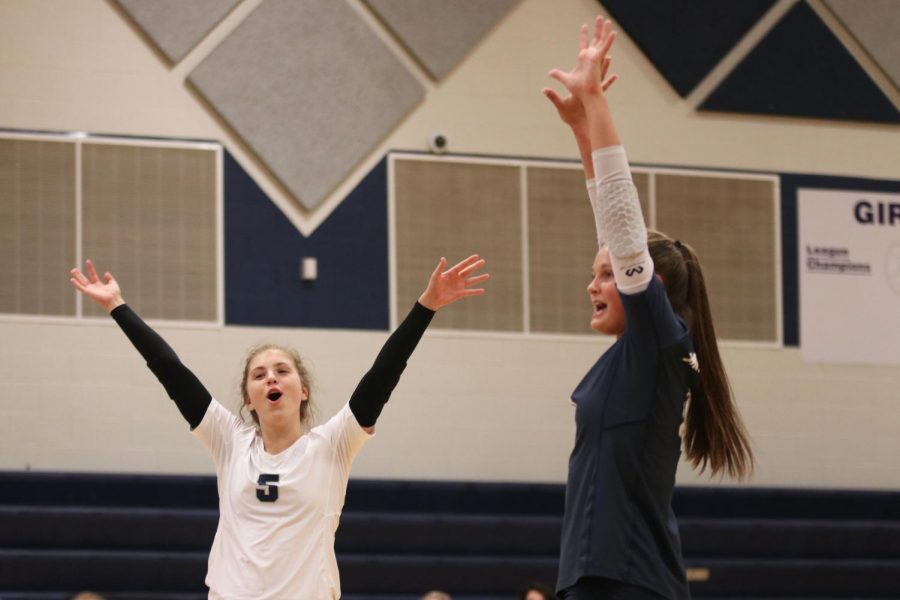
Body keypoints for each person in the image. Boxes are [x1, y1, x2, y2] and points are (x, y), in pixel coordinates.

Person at [69, 255, 488, 600]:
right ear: (249, 399)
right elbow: (170, 371)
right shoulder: (228, 439)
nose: (271, 378)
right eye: (259, 374)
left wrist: (426, 307)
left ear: (302, 390)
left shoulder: (333, 444)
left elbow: (384, 373)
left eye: (282, 371)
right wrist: (117, 306)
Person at [542, 16, 753, 600]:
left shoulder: (659, 341)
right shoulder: (636, 355)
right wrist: (583, 132)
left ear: (648, 283)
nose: (592, 285)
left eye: (607, 275)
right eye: (595, 273)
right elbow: (613, 227)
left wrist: (596, 107)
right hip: (598, 578)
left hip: (629, 583)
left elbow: (621, 220)